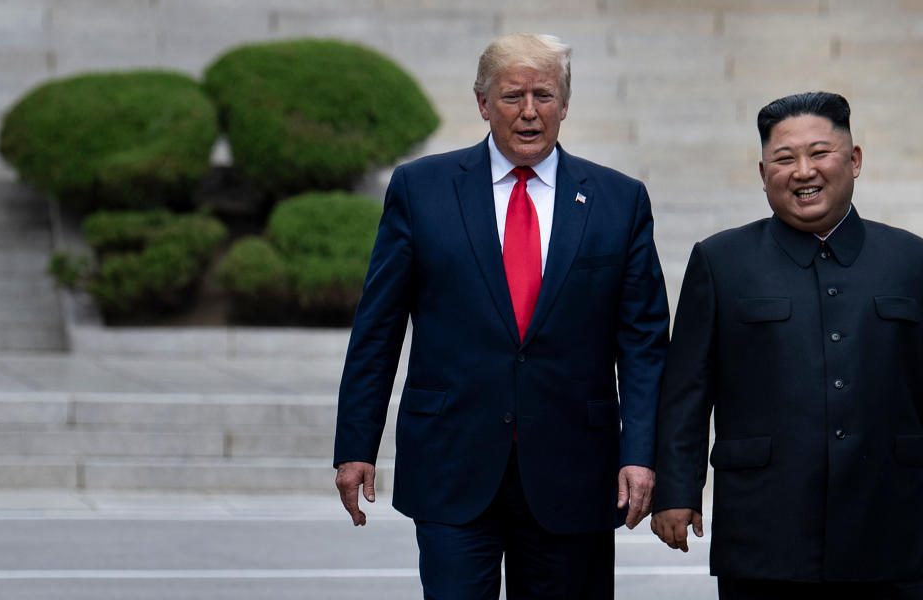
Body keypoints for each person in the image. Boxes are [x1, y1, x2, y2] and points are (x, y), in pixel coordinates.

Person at [333, 33, 669, 599]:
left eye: (545, 94)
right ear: (483, 103)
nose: (530, 112)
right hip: (451, 462)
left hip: (574, 469)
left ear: (565, 103)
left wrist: (640, 455)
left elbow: (642, 344)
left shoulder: (619, 199)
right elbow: (378, 328)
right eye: (513, 96)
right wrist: (355, 444)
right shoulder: (422, 189)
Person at [651, 91, 923, 599]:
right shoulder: (721, 261)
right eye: (784, 158)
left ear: (854, 160)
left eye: (819, 153)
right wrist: (677, 490)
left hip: (892, 525)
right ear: (762, 172)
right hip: (764, 532)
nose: (803, 171)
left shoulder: (911, 259)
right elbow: (687, 389)